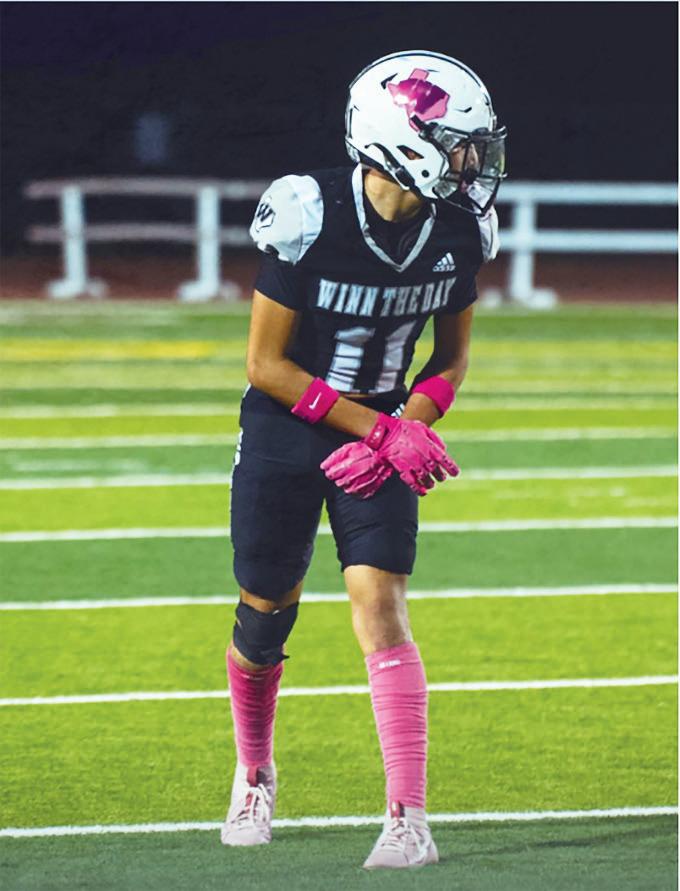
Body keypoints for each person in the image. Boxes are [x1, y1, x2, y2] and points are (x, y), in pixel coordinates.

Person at [221, 49, 506, 870]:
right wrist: (378, 432)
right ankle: (254, 770)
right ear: (401, 139)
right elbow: (265, 365)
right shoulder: (309, 211)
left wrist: (408, 424)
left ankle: (408, 815)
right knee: (265, 612)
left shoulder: (459, 230)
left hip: (384, 430)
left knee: (381, 601)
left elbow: (450, 361)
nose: (473, 162)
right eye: (458, 144)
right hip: (290, 427)